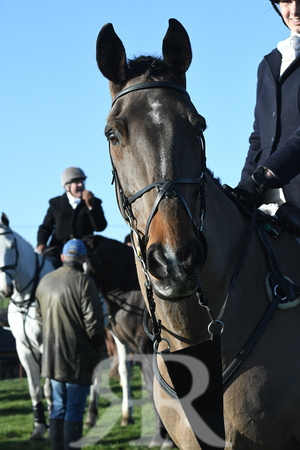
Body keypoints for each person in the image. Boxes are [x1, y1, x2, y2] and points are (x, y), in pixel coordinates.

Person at [232, 1, 300, 236]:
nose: (295, 11)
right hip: (272, 204)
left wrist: (265, 176)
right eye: (287, 2)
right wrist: (243, 191)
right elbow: (259, 138)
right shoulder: (269, 64)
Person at [36, 239, 105, 450]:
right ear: (83, 258)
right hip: (78, 359)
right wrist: (98, 346)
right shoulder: (85, 282)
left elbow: (39, 319)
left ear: (63, 257)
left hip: (51, 359)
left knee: (57, 408)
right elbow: (94, 324)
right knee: (75, 411)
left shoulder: (45, 281)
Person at [36, 167, 107, 261]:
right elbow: (45, 227)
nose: (81, 185)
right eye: (77, 182)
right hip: (59, 251)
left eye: (82, 181)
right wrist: (41, 244)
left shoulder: (94, 202)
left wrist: (90, 206)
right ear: (67, 186)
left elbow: (100, 227)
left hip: (85, 253)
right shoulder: (55, 203)